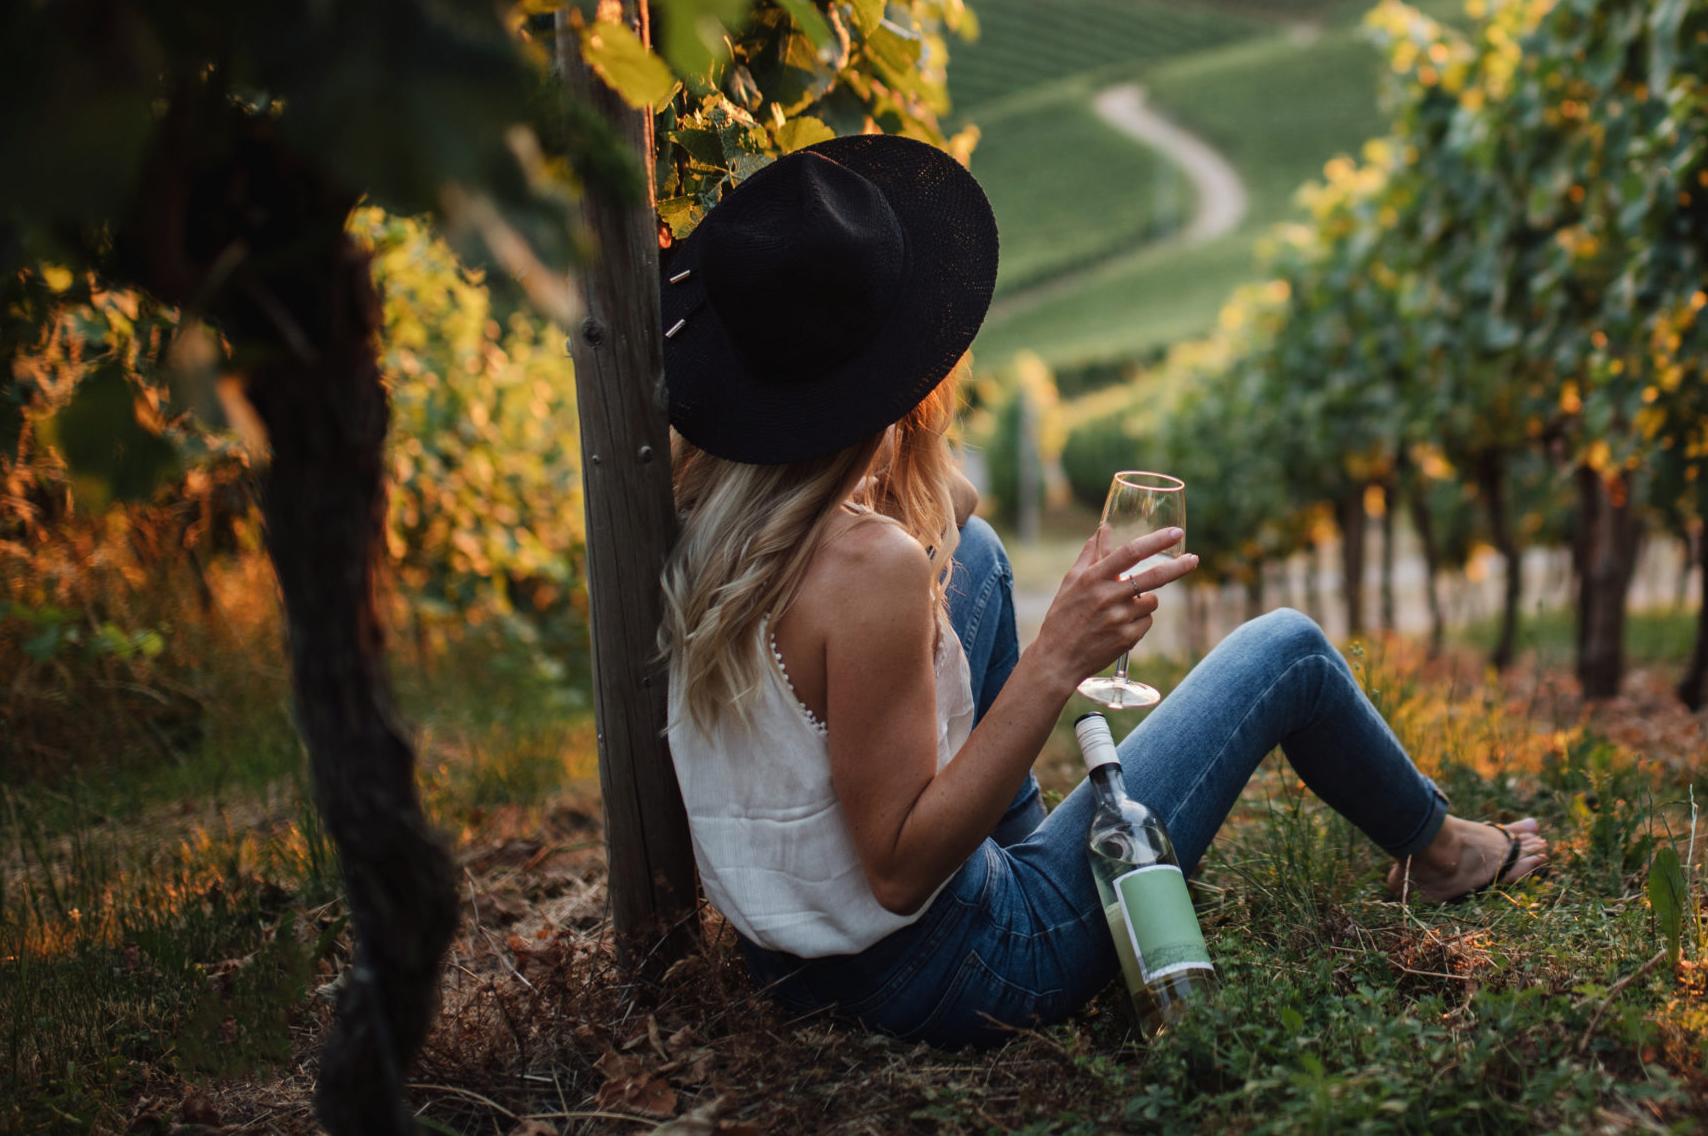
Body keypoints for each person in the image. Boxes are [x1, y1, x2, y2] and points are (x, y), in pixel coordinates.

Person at [658, 136, 1547, 1046]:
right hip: (950, 970)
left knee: (981, 548)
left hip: (788, 959)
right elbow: (896, 872)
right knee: (1288, 650)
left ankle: (1030, 847)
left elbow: (947, 517)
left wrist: (899, 442)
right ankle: (1441, 852)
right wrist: (1058, 656)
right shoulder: (868, 568)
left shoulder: (708, 504)